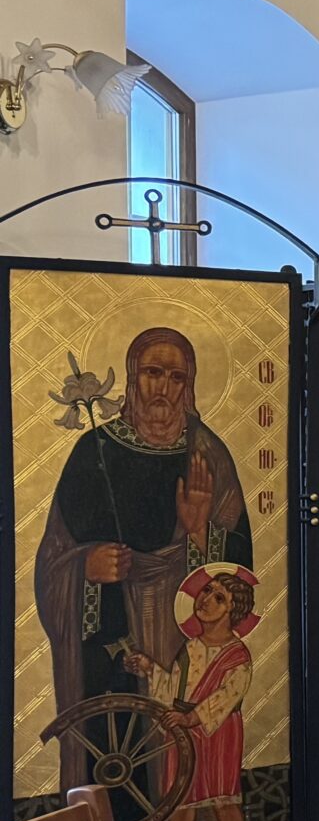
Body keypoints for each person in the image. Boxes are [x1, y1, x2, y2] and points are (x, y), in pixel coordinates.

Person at [34, 326, 250, 795]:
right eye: (153, 373)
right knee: (110, 751)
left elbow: (238, 575)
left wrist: (200, 533)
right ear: (133, 378)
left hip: (180, 638)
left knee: (177, 746)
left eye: (176, 377)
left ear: (189, 384)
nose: (163, 388)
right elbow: (53, 557)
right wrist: (84, 567)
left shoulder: (207, 455)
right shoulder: (93, 451)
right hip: (106, 637)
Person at [128, 565, 257, 821]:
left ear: (232, 611)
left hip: (218, 731)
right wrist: (149, 669)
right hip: (184, 730)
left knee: (222, 795)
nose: (206, 599)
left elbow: (228, 696)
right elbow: (174, 688)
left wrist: (191, 717)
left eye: (219, 598)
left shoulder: (237, 656)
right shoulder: (191, 648)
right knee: (181, 796)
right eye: (207, 590)